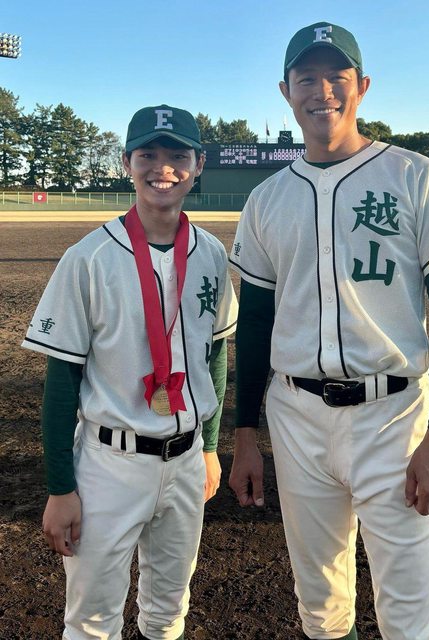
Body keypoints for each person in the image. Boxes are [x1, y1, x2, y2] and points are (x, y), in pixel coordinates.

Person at [228, 21, 429, 640]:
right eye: (306, 79)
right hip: (296, 418)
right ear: (285, 92)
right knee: (319, 606)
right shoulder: (266, 199)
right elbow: (255, 323)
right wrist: (245, 433)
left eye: (336, 77)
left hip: (393, 417)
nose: (322, 92)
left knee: (413, 618)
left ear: (362, 86)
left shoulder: (416, 175)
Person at [22, 104, 238, 640]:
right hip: (109, 463)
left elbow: (215, 355)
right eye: (148, 155)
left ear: (198, 165)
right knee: (92, 622)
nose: (162, 168)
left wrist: (211, 446)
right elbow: (61, 381)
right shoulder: (89, 256)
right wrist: (60, 488)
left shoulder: (211, 253)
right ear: (126, 163)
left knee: (168, 613)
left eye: (177, 156)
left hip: (186, 459)